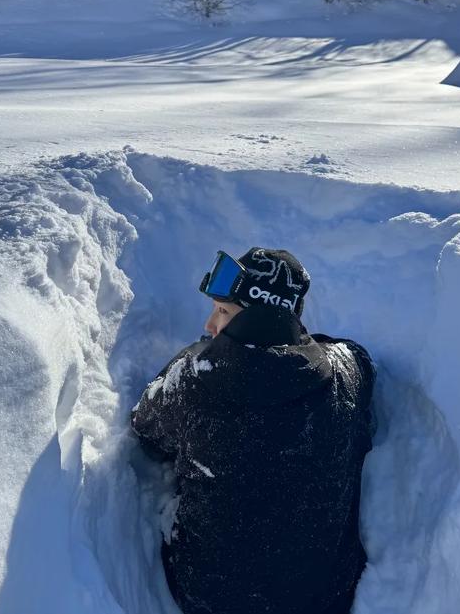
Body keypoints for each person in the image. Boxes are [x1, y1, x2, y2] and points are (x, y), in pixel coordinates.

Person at [131, 247, 375, 614]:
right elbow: (358, 357)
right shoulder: (343, 377)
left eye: (225, 312)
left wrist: (196, 356)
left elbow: (147, 427)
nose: (210, 325)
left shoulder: (193, 379)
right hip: (324, 599)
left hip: (210, 598)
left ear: (261, 319)